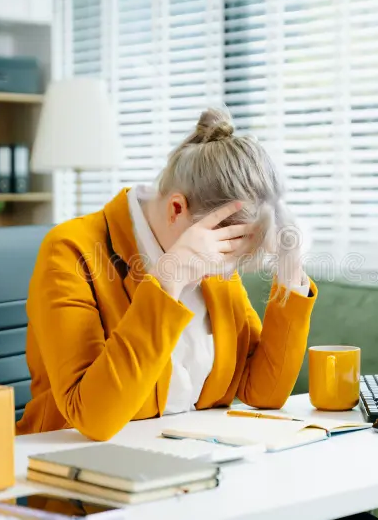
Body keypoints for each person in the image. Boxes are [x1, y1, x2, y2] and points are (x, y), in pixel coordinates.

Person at [16, 108, 318, 441]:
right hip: (68, 461)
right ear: (177, 208)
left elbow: (263, 392)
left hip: (186, 459)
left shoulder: (213, 252)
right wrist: (167, 282)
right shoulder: (71, 250)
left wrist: (290, 272)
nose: (224, 272)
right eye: (225, 255)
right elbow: (92, 417)